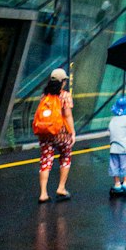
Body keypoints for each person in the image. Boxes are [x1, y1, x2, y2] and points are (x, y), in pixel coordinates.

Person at [36, 68, 75, 203]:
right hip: (61, 133)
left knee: (45, 161)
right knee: (65, 157)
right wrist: (72, 133)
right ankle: (61, 188)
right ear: (62, 82)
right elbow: (68, 116)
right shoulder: (65, 96)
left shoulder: (44, 96)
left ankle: (43, 193)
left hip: (45, 133)